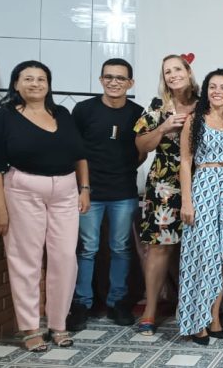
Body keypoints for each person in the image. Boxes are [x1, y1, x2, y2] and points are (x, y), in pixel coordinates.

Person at [0, 60, 89, 351]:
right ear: (16, 84)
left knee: (65, 257)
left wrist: (84, 189)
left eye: (41, 79)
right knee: (25, 259)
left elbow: (80, 154)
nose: (35, 84)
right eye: (27, 78)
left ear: (48, 85)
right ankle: (30, 328)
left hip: (65, 191)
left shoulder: (62, 114)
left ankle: (58, 324)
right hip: (23, 189)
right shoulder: (4, 117)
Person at [67, 58, 144, 331]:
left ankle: (118, 302)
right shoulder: (84, 110)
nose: (114, 82)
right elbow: (75, 152)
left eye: (120, 78)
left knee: (121, 248)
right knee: (87, 248)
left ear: (130, 83)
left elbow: (141, 151)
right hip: (90, 192)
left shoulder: (138, 113)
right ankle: (81, 304)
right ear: (101, 80)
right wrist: (83, 188)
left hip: (124, 192)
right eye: (108, 77)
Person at [176, 69, 223, 345]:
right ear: (206, 90)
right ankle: (197, 320)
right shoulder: (195, 120)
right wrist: (186, 201)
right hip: (203, 188)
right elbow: (185, 162)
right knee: (204, 256)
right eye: (213, 87)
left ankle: (214, 317)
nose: (217, 91)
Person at [134, 54, 200, 335]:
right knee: (159, 247)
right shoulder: (158, 106)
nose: (173, 75)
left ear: (188, 71)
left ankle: (194, 308)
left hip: (199, 183)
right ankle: (150, 310)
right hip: (163, 185)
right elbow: (142, 145)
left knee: (197, 247)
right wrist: (164, 127)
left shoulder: (204, 104)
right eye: (167, 71)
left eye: (177, 69)